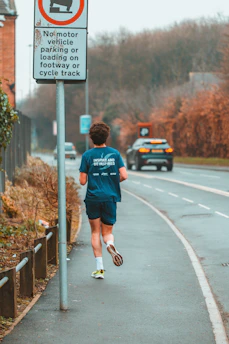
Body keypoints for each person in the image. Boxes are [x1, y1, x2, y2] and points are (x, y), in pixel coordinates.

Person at [79, 121, 128, 279]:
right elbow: (124, 175)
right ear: (107, 136)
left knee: (95, 232)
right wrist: (112, 182)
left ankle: (99, 270)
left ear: (91, 138)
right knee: (107, 233)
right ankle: (110, 244)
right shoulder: (114, 154)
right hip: (110, 197)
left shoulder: (87, 156)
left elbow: (82, 181)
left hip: (93, 198)